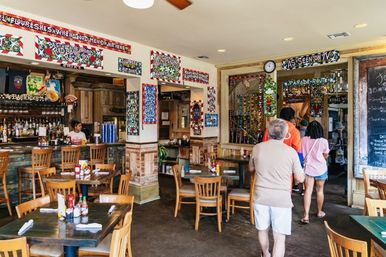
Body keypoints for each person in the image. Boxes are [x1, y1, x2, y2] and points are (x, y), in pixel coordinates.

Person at [249, 119, 305, 257]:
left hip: (260, 196)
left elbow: (251, 169)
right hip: (281, 199)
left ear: (268, 131)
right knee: (279, 236)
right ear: (286, 134)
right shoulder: (291, 152)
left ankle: (266, 254)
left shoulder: (257, 148)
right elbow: (300, 178)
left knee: (262, 230)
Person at [262, 107, 304, 193]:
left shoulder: (270, 128)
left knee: (269, 187)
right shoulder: (295, 131)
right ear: (292, 117)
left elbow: (263, 145)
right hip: (286, 166)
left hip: (269, 163)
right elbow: (298, 151)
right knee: (285, 189)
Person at [300, 121, 329, 224]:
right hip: (321, 169)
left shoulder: (303, 140)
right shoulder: (324, 141)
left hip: (308, 169)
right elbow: (325, 155)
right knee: (320, 191)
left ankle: (306, 216)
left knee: (308, 191)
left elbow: (302, 153)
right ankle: (319, 211)